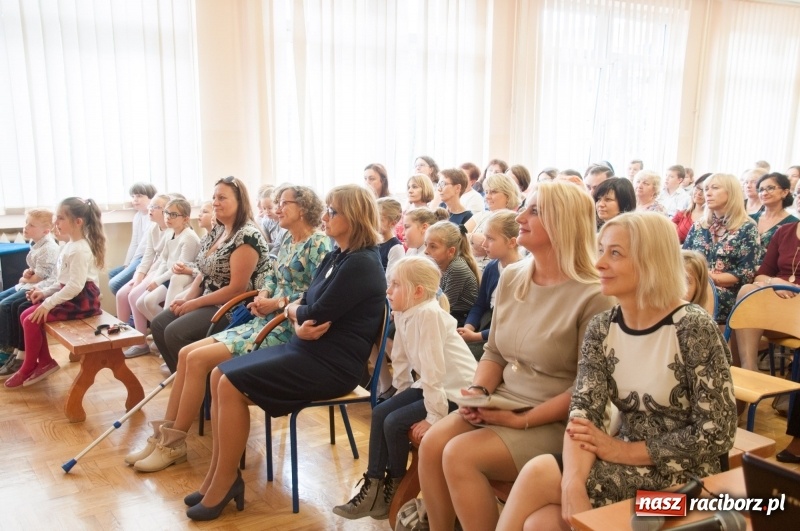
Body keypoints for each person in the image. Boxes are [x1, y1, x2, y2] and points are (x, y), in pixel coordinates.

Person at [495, 212, 736, 531]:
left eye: (615, 253)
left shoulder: (693, 327)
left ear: (652, 261)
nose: (599, 264)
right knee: (541, 523)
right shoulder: (603, 327)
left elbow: (717, 432)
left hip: (689, 487)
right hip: (623, 465)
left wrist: (623, 451)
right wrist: (573, 485)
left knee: (538, 474)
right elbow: (583, 413)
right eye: (601, 250)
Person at [183, 184, 386, 521]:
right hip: (307, 349)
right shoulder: (340, 255)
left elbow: (313, 312)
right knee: (220, 375)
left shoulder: (361, 264)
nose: (325, 216)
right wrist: (297, 314)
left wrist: (294, 313)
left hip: (331, 366)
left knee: (230, 383)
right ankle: (218, 477)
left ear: (352, 217)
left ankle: (225, 482)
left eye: (333, 211)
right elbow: (307, 303)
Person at [417, 182, 613, 531]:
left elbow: (587, 391)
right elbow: (494, 352)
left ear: (562, 223)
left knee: (460, 455)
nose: (520, 216)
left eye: (534, 211)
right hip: (505, 399)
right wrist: (477, 393)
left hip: (557, 416)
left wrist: (521, 419)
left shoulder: (593, 294)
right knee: (432, 443)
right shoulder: (513, 276)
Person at [126, 185, 330, 472]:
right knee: (186, 353)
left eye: (285, 203)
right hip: (265, 318)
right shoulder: (287, 238)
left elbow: (316, 294)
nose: (278, 208)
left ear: (305, 209)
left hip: (285, 327)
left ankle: (173, 444)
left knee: (196, 358)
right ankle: (161, 437)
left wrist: (276, 304)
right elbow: (270, 276)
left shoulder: (319, 243)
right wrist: (262, 297)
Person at [333, 256, 477, 520]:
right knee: (381, 413)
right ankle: (374, 484)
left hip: (457, 393)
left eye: (396, 284)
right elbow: (400, 358)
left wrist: (434, 417)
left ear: (418, 291)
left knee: (394, 422)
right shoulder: (405, 311)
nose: (388, 290)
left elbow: (434, 370)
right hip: (434, 387)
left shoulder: (429, 314)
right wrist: (400, 395)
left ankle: (395, 487)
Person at [150, 176, 270, 373]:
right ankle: (184, 378)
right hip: (207, 298)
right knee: (159, 324)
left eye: (222, 198)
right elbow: (203, 270)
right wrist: (187, 298)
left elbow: (236, 289)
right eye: (214, 197)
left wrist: (194, 303)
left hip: (232, 307)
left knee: (174, 332)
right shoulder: (219, 230)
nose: (215, 202)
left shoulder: (247, 236)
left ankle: (201, 388)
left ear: (239, 202)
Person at [5, 198, 107, 388]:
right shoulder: (68, 246)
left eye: (60, 218)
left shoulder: (79, 250)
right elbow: (63, 282)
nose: (55, 223)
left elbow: (75, 286)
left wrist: (47, 303)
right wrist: (43, 292)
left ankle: (29, 366)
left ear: (78, 222)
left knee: (30, 318)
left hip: (83, 299)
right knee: (26, 314)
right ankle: (44, 362)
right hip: (72, 294)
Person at [683, 173, 761, 325]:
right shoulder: (699, 225)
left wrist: (709, 278)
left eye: (715, 188)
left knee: (702, 292)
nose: (708, 193)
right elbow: (684, 259)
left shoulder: (747, 227)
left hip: (728, 293)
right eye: (706, 189)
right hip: (693, 284)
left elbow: (745, 273)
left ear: (731, 193)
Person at [733, 220, 800, 371]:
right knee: (747, 291)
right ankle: (749, 368)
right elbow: (760, 276)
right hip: (777, 301)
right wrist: (774, 282)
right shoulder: (784, 231)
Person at [457, 211, 522, 360]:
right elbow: (480, 304)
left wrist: (475, 336)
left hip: (502, 333)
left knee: (461, 357)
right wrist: (468, 328)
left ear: (512, 242)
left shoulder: (521, 272)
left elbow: (512, 323)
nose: (484, 244)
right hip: (487, 323)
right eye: (484, 237)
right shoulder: (492, 267)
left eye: (490, 239)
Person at [0, 209, 59, 368]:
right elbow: (34, 270)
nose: (26, 227)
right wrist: (28, 272)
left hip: (41, 287)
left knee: (6, 305)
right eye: (26, 223)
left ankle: (8, 350)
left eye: (31, 225)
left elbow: (40, 278)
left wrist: (24, 277)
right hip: (29, 283)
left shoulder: (49, 247)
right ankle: (6, 346)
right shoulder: (36, 243)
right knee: (1, 300)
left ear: (46, 230)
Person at [134, 199, 202, 331]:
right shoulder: (169, 232)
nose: (168, 217)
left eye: (174, 215)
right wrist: (155, 280)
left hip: (183, 277)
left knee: (150, 301)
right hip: (168, 276)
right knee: (141, 303)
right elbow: (164, 259)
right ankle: (160, 332)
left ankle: (166, 331)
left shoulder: (189, 237)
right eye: (166, 213)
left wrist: (158, 281)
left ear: (185, 219)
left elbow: (180, 268)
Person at [115, 194, 170, 357]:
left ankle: (141, 343)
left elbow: (164, 261)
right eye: (151, 206)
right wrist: (137, 278)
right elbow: (147, 257)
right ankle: (122, 338)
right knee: (121, 294)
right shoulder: (153, 229)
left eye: (155, 207)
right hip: (153, 269)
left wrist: (145, 279)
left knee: (133, 296)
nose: (150, 209)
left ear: (166, 211)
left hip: (161, 271)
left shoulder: (171, 231)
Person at [424, 221, 479, 327]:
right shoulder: (438, 264)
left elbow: (444, 305)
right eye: (425, 245)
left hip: (460, 319)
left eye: (433, 246)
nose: (426, 251)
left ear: (450, 251)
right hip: (446, 313)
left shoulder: (456, 268)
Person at [108, 182, 157, 294]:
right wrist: (127, 263)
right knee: (112, 273)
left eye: (139, 196)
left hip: (145, 258)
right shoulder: (137, 216)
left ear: (151, 198)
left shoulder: (152, 217)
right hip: (138, 257)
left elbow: (144, 246)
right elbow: (134, 242)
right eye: (133, 196)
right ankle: (127, 306)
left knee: (115, 283)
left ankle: (131, 308)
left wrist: (132, 263)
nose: (135, 199)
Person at [467, 172, 522, 271]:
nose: (487, 196)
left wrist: (469, 241)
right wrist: (472, 238)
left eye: (493, 192)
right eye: (486, 192)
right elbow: (456, 237)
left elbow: (486, 248)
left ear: (508, 195)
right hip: (469, 267)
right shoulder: (482, 215)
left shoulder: (514, 220)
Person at [750, 172, 797, 250]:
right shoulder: (749, 219)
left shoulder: (793, 224)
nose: (764, 193)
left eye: (770, 188)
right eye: (761, 190)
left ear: (785, 192)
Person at [397, 173, 436, 246]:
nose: (410, 191)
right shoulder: (404, 213)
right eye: (409, 187)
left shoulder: (430, 216)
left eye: (414, 187)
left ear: (425, 188)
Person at [672, 173, 710, 243]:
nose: (699, 193)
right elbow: (669, 238)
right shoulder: (682, 214)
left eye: (704, 190)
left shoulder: (713, 221)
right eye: (698, 188)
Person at [682, 250, 715, 317]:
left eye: (686, 281)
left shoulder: (701, 322)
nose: (679, 286)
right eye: (675, 280)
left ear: (698, 288)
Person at [377, 197, 404, 272]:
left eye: (379, 219)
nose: (373, 222)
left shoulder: (396, 248)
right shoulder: (371, 241)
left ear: (392, 223)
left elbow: (391, 279)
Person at [256, 185, 285, 254]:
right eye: (264, 208)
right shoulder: (265, 221)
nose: (267, 211)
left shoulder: (283, 222)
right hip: (272, 249)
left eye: (270, 208)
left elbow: (280, 245)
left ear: (278, 205)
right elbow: (266, 242)